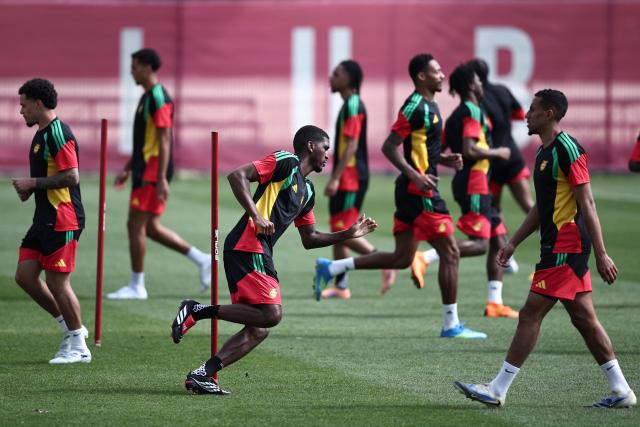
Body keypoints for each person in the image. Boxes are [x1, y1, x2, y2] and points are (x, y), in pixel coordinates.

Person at [454, 89, 636, 408]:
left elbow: (587, 202)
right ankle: (621, 390)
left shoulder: (568, 149)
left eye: (532, 110)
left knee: (530, 314)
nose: (526, 114)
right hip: (556, 246)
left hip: (567, 247)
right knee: (584, 319)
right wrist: (512, 243)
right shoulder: (543, 154)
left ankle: (497, 389)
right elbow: (541, 206)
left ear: (549, 114)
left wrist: (602, 253)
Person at [170, 125, 377, 394]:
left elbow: (310, 238)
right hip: (247, 245)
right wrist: (256, 215)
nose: (328, 155)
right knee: (271, 314)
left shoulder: (308, 192)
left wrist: (347, 234)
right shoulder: (285, 161)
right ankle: (196, 310)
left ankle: (202, 374)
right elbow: (237, 176)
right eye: (326, 148)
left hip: (259, 251)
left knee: (259, 328)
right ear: (312, 146)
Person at [315, 54, 487, 339]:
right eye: (437, 71)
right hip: (419, 193)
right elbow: (390, 146)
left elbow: (420, 149)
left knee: (401, 258)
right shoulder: (414, 106)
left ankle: (333, 267)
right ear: (422, 76)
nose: (443, 75)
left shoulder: (430, 105)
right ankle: (450, 325)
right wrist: (415, 175)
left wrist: (444, 159)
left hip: (413, 189)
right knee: (451, 252)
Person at [414, 63, 518, 319]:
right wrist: (500, 152)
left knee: (499, 239)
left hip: (475, 182)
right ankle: (424, 257)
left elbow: (437, 147)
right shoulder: (472, 111)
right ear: (472, 85)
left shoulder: (458, 115)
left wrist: (446, 160)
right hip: (475, 183)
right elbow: (470, 150)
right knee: (481, 245)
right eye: (479, 81)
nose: (483, 84)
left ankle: (494, 302)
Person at [108, 48, 211, 300]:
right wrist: (128, 168)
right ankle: (203, 259)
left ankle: (137, 286)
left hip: (154, 171)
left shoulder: (158, 98)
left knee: (135, 225)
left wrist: (162, 177)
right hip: (146, 168)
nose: (131, 71)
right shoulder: (147, 97)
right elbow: (146, 140)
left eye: (134, 66)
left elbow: (165, 139)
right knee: (151, 227)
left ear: (146, 67)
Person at [12, 78, 91, 364]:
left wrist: (33, 182)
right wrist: (32, 187)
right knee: (25, 275)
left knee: (58, 283)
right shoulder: (41, 134)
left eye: (23, 106)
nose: (21, 112)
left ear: (38, 103)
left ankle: (79, 346)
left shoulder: (58, 133)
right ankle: (71, 330)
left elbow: (72, 176)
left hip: (63, 218)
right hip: (44, 218)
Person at [321, 59, 392, 299]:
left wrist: (335, 178)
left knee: (343, 231)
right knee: (337, 230)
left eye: (337, 73)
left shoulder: (352, 104)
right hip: (348, 176)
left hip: (351, 177)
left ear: (349, 79)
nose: (332, 77)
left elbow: (351, 145)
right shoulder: (348, 104)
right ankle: (342, 286)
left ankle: (384, 260)